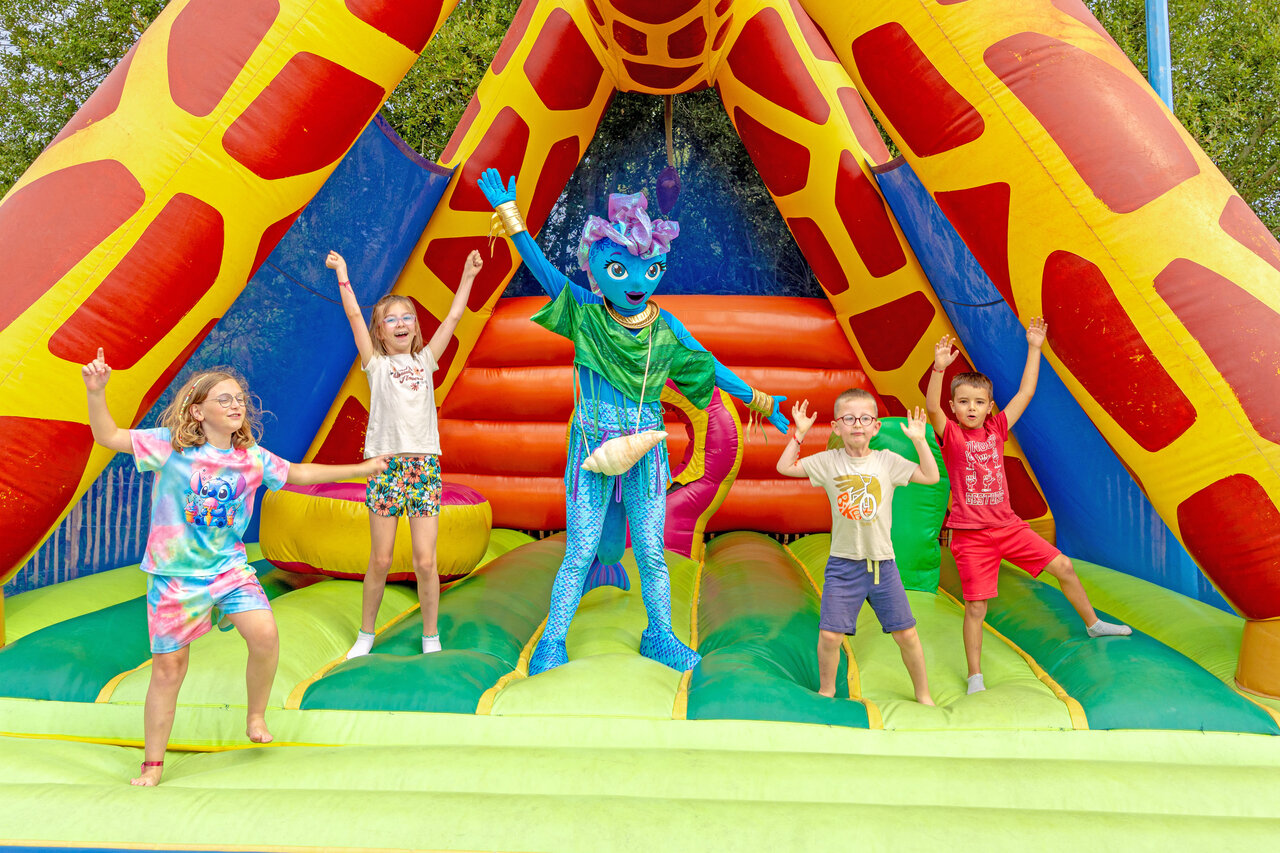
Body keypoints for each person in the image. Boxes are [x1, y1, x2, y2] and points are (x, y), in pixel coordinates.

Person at [477, 169, 790, 675]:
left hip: (646, 452)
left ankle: (660, 636)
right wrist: (511, 219)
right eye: (621, 270)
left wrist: (762, 401)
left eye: (651, 270)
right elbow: (539, 268)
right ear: (596, 268)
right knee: (580, 548)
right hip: (590, 448)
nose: (639, 283)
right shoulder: (583, 311)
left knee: (650, 549)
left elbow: (708, 365)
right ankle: (552, 641)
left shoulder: (664, 326)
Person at [80, 349, 386, 786]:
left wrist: (363, 468)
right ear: (198, 411)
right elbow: (108, 436)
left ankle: (256, 716)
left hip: (227, 571)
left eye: (239, 398)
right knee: (170, 669)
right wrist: (97, 392)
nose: (235, 404)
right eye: (223, 399)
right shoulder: (170, 445)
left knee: (264, 634)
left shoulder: (252, 458)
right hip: (175, 578)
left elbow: (298, 474)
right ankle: (152, 764)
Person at [925, 320, 1131, 695]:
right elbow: (931, 408)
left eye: (979, 402)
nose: (971, 408)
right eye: (963, 402)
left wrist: (1035, 346)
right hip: (971, 537)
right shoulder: (951, 434)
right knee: (976, 608)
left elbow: (1026, 391)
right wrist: (939, 368)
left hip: (1008, 527)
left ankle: (1092, 622)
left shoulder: (997, 429)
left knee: (1064, 566)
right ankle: (975, 676)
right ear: (954, 408)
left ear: (989, 407)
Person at [326, 249, 480, 659]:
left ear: (415, 328)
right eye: (390, 319)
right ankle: (366, 633)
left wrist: (466, 276)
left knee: (426, 562)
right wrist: (343, 274)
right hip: (387, 465)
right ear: (379, 332)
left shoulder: (425, 360)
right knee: (380, 559)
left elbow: (452, 319)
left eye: (406, 317)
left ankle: (430, 636)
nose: (399, 323)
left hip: (424, 465)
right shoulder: (375, 364)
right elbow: (356, 318)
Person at [777, 390, 938, 704]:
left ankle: (924, 695)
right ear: (837, 427)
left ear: (875, 427)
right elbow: (785, 467)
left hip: (883, 566)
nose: (857, 425)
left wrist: (920, 440)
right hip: (843, 565)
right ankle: (827, 690)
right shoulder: (829, 461)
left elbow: (931, 476)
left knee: (906, 634)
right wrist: (798, 434)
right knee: (829, 635)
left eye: (865, 419)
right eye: (849, 419)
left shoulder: (887, 461)